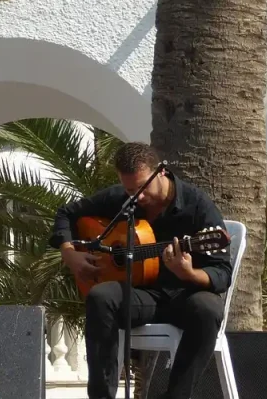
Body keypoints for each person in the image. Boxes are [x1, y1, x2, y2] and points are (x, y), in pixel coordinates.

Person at [49, 142, 233, 399]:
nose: (138, 197)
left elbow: (222, 273)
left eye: (142, 188)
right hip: (142, 296)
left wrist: (188, 273)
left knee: (209, 308)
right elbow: (67, 213)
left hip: (185, 297)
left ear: (161, 172)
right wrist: (70, 253)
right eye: (130, 190)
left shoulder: (198, 206)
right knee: (101, 297)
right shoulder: (124, 199)